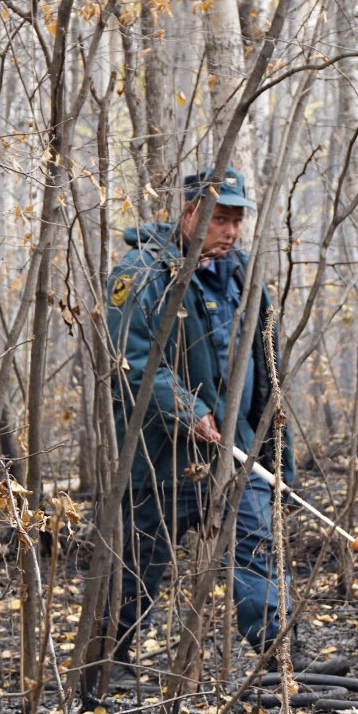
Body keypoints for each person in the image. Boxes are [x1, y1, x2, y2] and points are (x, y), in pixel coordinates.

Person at [102, 167, 294, 680]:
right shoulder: (140, 274)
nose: (230, 231)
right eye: (220, 218)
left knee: (256, 547)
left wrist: (277, 452)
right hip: (163, 455)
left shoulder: (245, 276)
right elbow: (132, 360)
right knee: (139, 563)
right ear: (190, 214)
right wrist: (187, 411)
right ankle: (108, 661)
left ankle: (277, 663)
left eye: (237, 220)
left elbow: (267, 363)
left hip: (238, 449)